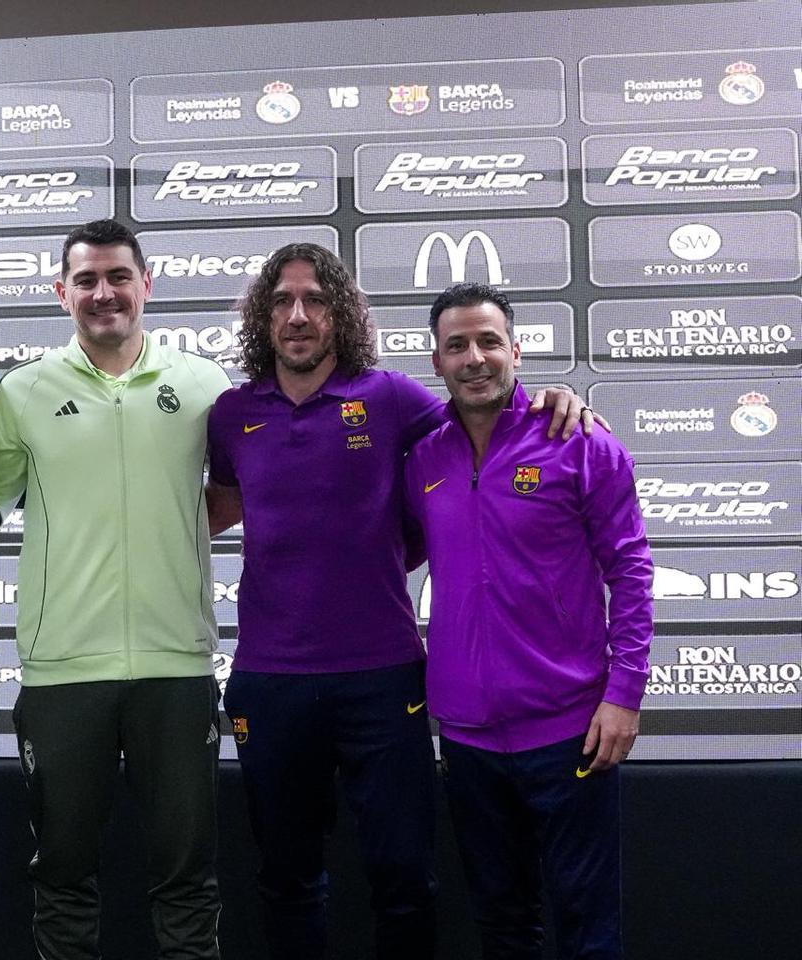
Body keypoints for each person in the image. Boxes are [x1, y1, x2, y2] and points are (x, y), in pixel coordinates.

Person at [205, 245, 594, 960]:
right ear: (261, 316)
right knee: (286, 881)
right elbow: (215, 508)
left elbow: (486, 420)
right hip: (269, 679)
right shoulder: (232, 413)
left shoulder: (389, 398)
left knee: (404, 880)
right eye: (282, 301)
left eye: (316, 300)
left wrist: (552, 400)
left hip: (383, 681)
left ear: (342, 313)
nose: (298, 315)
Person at [0, 218, 231, 960]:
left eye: (118, 276)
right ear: (62, 293)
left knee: (187, 877)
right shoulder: (22, 392)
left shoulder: (204, 385)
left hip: (176, 668)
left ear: (146, 285)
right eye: (86, 280)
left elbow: (243, 490)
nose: (104, 293)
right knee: (62, 877)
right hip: (64, 674)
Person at [404, 282, 653, 960]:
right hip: (467, 736)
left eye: (489, 341)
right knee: (503, 925)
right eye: (457, 346)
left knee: (588, 927)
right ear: (437, 362)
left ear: (516, 350)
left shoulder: (579, 440)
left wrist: (624, 695)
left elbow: (630, 570)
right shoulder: (423, 458)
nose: (475, 358)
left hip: (571, 728)